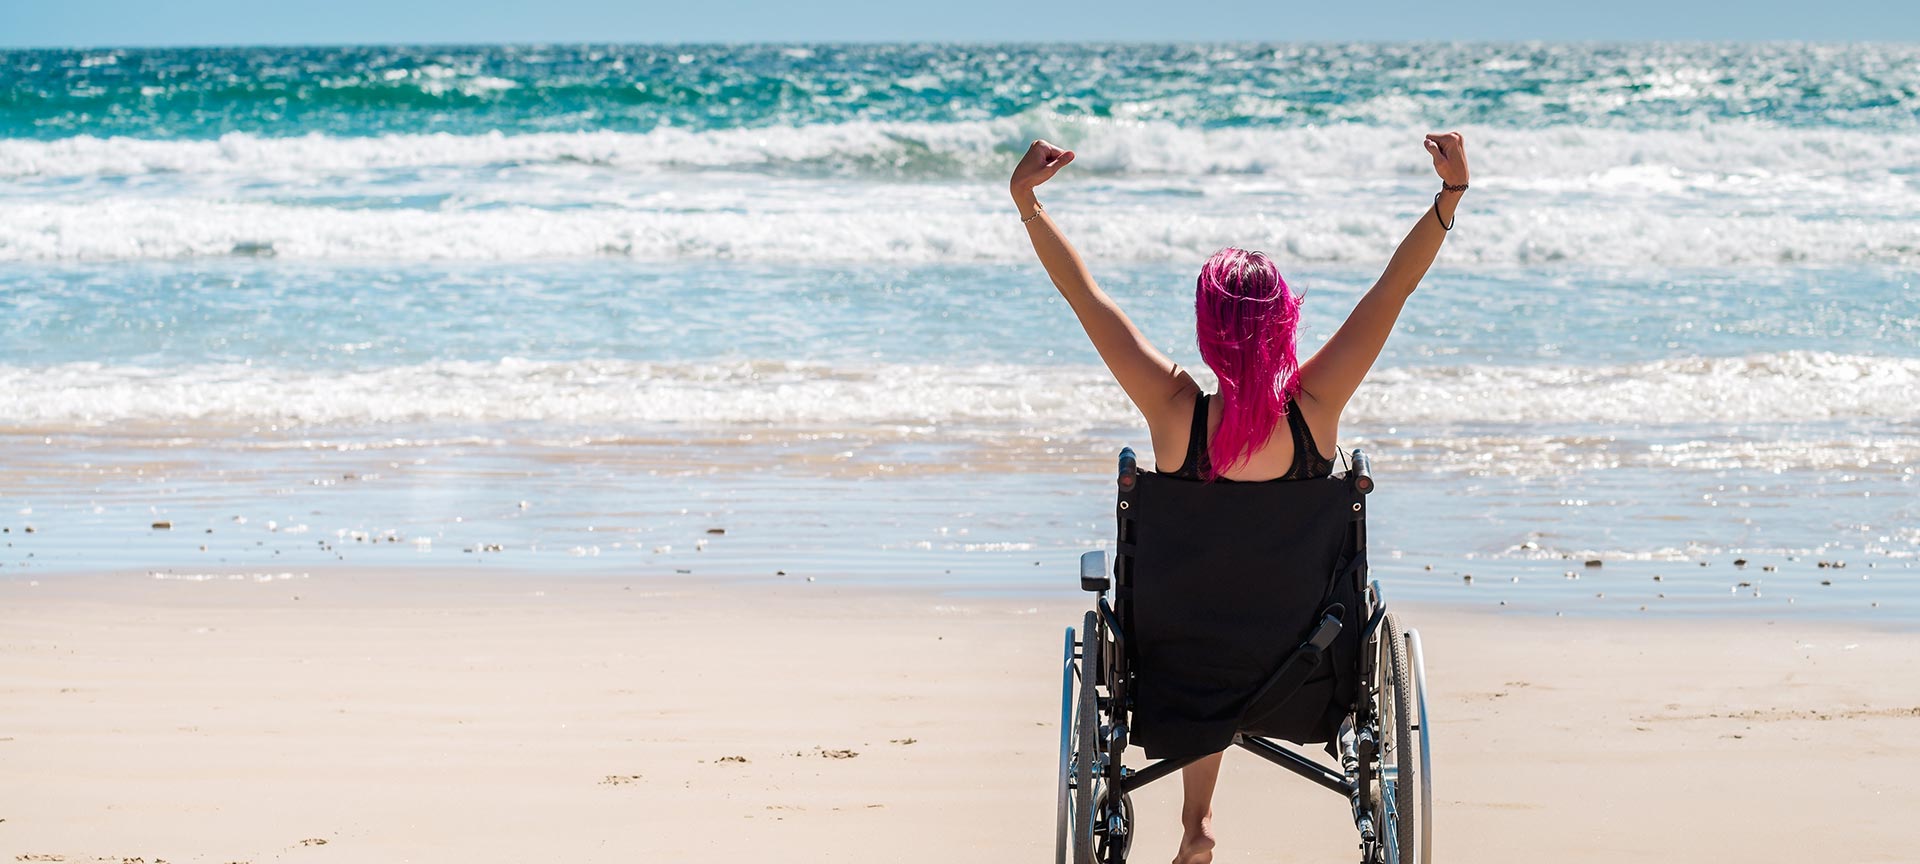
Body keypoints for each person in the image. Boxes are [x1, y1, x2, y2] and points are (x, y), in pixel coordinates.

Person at [1010, 132, 1469, 864]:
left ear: (1208, 329)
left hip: (1177, 670)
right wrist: (1449, 198)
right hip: (1306, 671)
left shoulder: (1173, 412)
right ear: (1284, 318)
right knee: (1244, 620)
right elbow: (1393, 289)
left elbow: (1082, 295)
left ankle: (1198, 823)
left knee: (1208, 619)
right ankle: (1199, 820)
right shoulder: (1315, 408)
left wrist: (1026, 203)